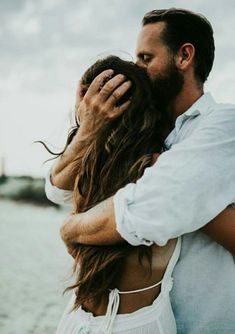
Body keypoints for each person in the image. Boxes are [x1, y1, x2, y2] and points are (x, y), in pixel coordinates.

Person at [46, 8, 235, 334]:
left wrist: (72, 230)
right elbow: (58, 188)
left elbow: (151, 207)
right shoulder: (142, 129)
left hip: (197, 321)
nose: (138, 68)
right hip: (105, 318)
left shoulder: (221, 125)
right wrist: (88, 128)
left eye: (146, 57)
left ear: (184, 56)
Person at [50, 55, 181, 334]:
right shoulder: (94, 164)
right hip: (81, 317)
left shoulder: (157, 170)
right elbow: (54, 189)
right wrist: (87, 129)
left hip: (131, 325)